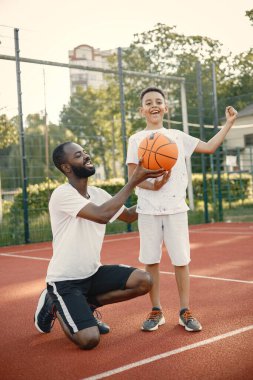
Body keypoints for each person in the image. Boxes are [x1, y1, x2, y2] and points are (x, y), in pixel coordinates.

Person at [34, 141, 167, 350]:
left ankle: (86, 306)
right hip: (65, 281)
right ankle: (54, 303)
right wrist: (132, 182)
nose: (86, 156)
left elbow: (130, 216)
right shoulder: (62, 194)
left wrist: (157, 194)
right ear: (66, 167)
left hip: (92, 274)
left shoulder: (98, 194)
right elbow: (102, 215)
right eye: (78, 155)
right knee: (89, 340)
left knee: (144, 281)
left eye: (85, 152)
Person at [126, 86, 238, 332]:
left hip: (176, 208)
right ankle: (156, 310)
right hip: (148, 209)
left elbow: (209, 147)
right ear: (141, 110)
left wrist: (229, 124)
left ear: (166, 107)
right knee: (151, 261)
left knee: (181, 260)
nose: (154, 105)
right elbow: (132, 177)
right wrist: (154, 186)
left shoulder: (177, 136)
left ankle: (184, 310)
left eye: (158, 101)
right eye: (148, 102)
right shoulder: (135, 139)